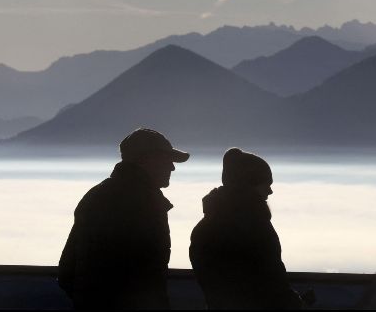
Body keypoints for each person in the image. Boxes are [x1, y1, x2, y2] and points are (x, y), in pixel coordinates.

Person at [57, 128, 190, 310]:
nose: (172, 167)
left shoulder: (95, 196)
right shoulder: (146, 204)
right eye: (166, 159)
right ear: (146, 160)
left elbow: (67, 272)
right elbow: (147, 276)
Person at [189, 148, 303, 309]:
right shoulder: (255, 228)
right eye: (266, 184)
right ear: (249, 185)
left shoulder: (203, 228)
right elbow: (272, 280)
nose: (270, 191)